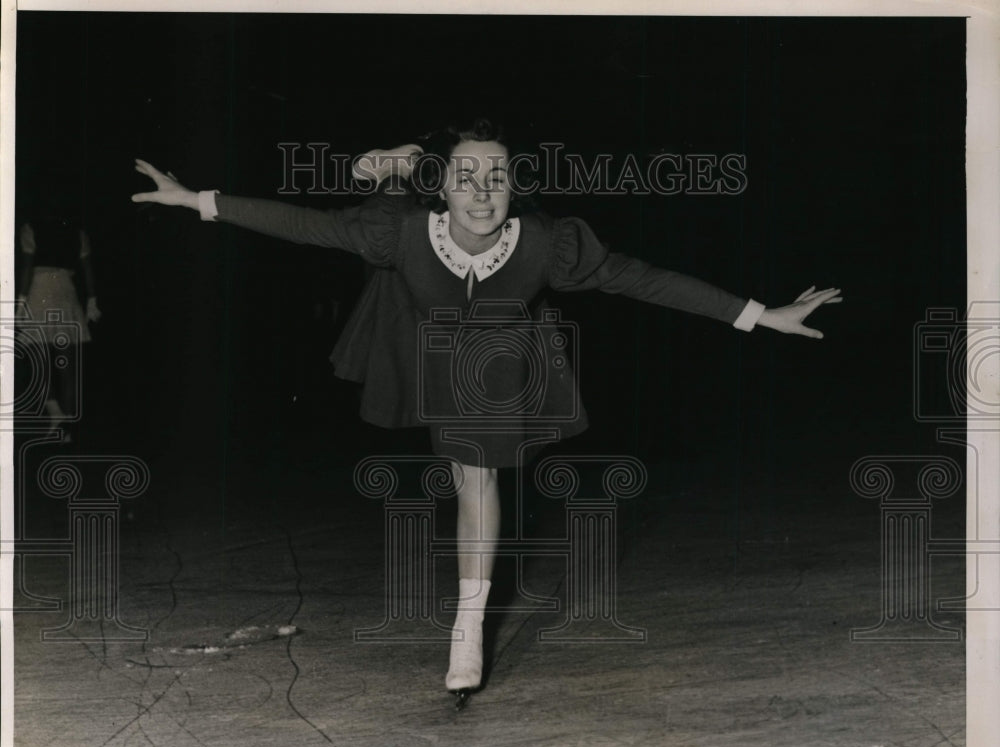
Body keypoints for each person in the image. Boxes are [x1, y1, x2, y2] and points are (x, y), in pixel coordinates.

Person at [132, 118, 841, 708]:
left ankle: (467, 626)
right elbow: (302, 224)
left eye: (496, 177)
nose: (482, 191)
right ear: (441, 188)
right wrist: (196, 198)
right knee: (373, 188)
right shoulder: (400, 233)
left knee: (477, 477)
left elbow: (642, 277)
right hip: (417, 332)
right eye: (466, 177)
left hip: (498, 351)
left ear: (514, 187)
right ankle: (393, 161)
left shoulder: (544, 244)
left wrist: (760, 314)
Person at [17, 207, 101, 438]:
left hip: (40, 288)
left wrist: (21, 302)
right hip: (66, 289)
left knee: (37, 356)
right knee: (67, 363)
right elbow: (87, 268)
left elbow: (27, 265)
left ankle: (55, 412)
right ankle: (67, 427)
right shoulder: (77, 232)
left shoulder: (30, 227)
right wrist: (92, 300)